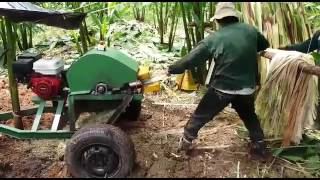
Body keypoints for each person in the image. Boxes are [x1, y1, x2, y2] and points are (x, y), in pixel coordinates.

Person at [167, 2, 271, 160]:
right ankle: (260, 149)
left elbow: (191, 60)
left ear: (218, 20)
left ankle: (184, 146)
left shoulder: (214, 38)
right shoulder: (250, 30)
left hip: (223, 89)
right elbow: (264, 45)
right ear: (235, 17)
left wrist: (171, 69)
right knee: (250, 117)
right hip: (246, 88)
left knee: (200, 116)